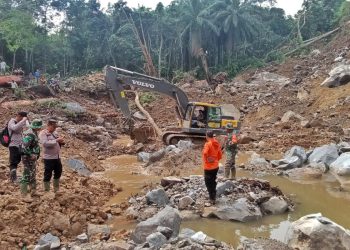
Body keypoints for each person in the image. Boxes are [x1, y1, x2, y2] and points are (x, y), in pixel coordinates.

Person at [39, 119, 65, 192]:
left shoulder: (55, 132)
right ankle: (47, 190)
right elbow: (45, 144)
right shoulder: (43, 133)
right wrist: (56, 141)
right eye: (53, 127)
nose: (54, 128)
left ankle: (56, 189)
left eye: (55, 127)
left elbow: (57, 140)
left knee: (58, 172)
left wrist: (61, 141)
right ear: (48, 125)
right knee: (48, 173)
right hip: (48, 158)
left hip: (57, 157)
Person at [21, 119, 43, 197]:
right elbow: (23, 147)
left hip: (31, 158)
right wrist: (31, 154)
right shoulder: (30, 134)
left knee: (33, 173)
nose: (40, 128)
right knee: (27, 174)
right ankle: (24, 193)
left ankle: (33, 191)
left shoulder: (34, 132)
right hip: (27, 157)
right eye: (39, 127)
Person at [202, 130, 222, 204]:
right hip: (216, 166)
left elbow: (205, 153)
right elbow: (220, 155)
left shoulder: (208, 144)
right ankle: (214, 194)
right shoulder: (217, 143)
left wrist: (208, 159)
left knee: (208, 183)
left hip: (208, 167)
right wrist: (215, 160)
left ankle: (212, 198)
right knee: (213, 181)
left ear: (207, 136)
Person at [7, 112, 28, 182]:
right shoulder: (12, 121)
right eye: (22, 118)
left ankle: (14, 176)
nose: (23, 120)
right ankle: (13, 179)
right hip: (13, 144)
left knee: (18, 160)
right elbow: (14, 128)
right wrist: (23, 121)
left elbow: (27, 128)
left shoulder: (21, 122)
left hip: (19, 145)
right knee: (13, 161)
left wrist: (25, 121)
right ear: (19, 116)